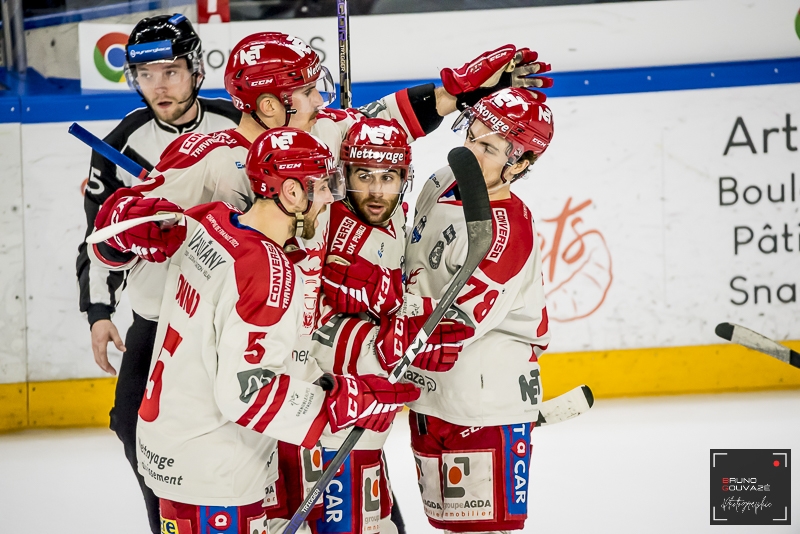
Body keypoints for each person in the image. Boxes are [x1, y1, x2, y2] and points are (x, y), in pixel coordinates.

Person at [88, 127, 420, 534]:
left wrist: (122, 217)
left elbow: (106, 235)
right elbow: (246, 393)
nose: (331, 198)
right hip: (215, 469)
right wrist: (337, 402)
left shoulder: (209, 222)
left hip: (169, 446)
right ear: (293, 194)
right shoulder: (268, 273)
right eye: (322, 186)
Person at [75, 13, 240, 533]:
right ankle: (165, 526)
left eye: (170, 71)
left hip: (235, 312)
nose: (158, 86)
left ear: (195, 69)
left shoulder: (239, 125)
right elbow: (97, 241)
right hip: (156, 315)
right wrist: (99, 313)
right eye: (146, 75)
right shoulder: (121, 144)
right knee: (130, 425)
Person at [298, 117, 473, 534]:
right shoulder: (320, 225)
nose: (376, 191)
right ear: (344, 176)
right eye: (364, 176)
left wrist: (403, 308)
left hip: (373, 405)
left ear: (404, 178)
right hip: (325, 412)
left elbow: (392, 293)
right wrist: (384, 339)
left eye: (388, 177)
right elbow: (301, 334)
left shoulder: (398, 215)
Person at [402, 86, 554, 533]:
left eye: (488, 147)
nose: (470, 151)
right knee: (445, 526)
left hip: (484, 406)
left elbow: (457, 324)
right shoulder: (439, 182)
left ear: (521, 164)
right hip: (428, 395)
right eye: (472, 135)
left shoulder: (508, 231)